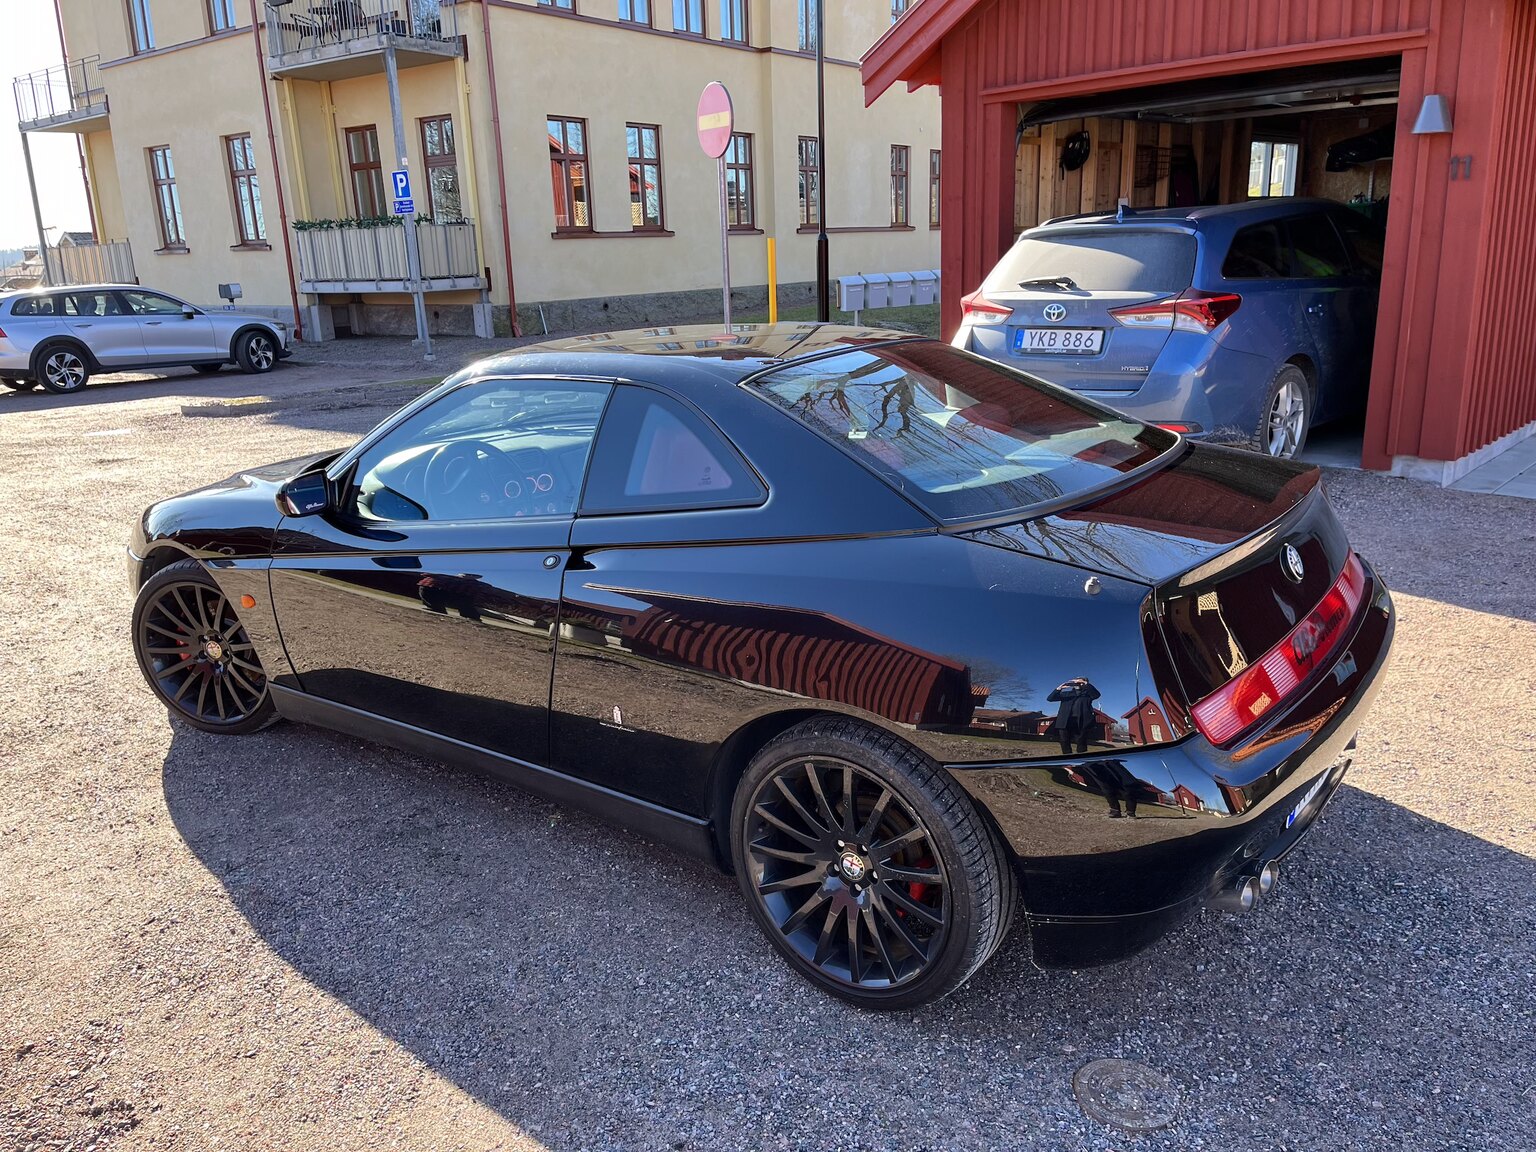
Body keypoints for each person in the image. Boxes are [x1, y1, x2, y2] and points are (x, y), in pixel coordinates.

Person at [1048, 676, 1101, 756]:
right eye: (1076, 680)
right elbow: (1050, 698)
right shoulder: (1067, 694)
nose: (1077, 682)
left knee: (1081, 741)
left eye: (1079, 681)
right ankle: (1067, 758)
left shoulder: (1088, 695)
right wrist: (1059, 688)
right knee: (1064, 740)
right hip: (1065, 721)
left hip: (1081, 721)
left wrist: (1086, 684)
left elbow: (1097, 695)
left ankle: (1081, 759)